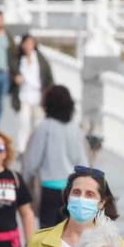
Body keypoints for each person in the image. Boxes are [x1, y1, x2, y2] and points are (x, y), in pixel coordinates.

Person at [23, 86, 87, 229]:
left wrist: (24, 185)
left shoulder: (44, 127)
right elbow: (83, 162)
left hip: (49, 190)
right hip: (71, 191)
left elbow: (32, 163)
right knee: (69, 236)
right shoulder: (75, 129)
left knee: (48, 237)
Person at [12, 34, 53, 153]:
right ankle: (22, 149)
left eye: (31, 43)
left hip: (38, 96)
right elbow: (11, 74)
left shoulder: (40, 60)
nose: (28, 46)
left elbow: (49, 78)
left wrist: (48, 98)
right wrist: (15, 79)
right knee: (23, 123)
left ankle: (37, 148)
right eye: (26, 43)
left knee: (38, 125)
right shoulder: (19, 60)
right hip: (24, 96)